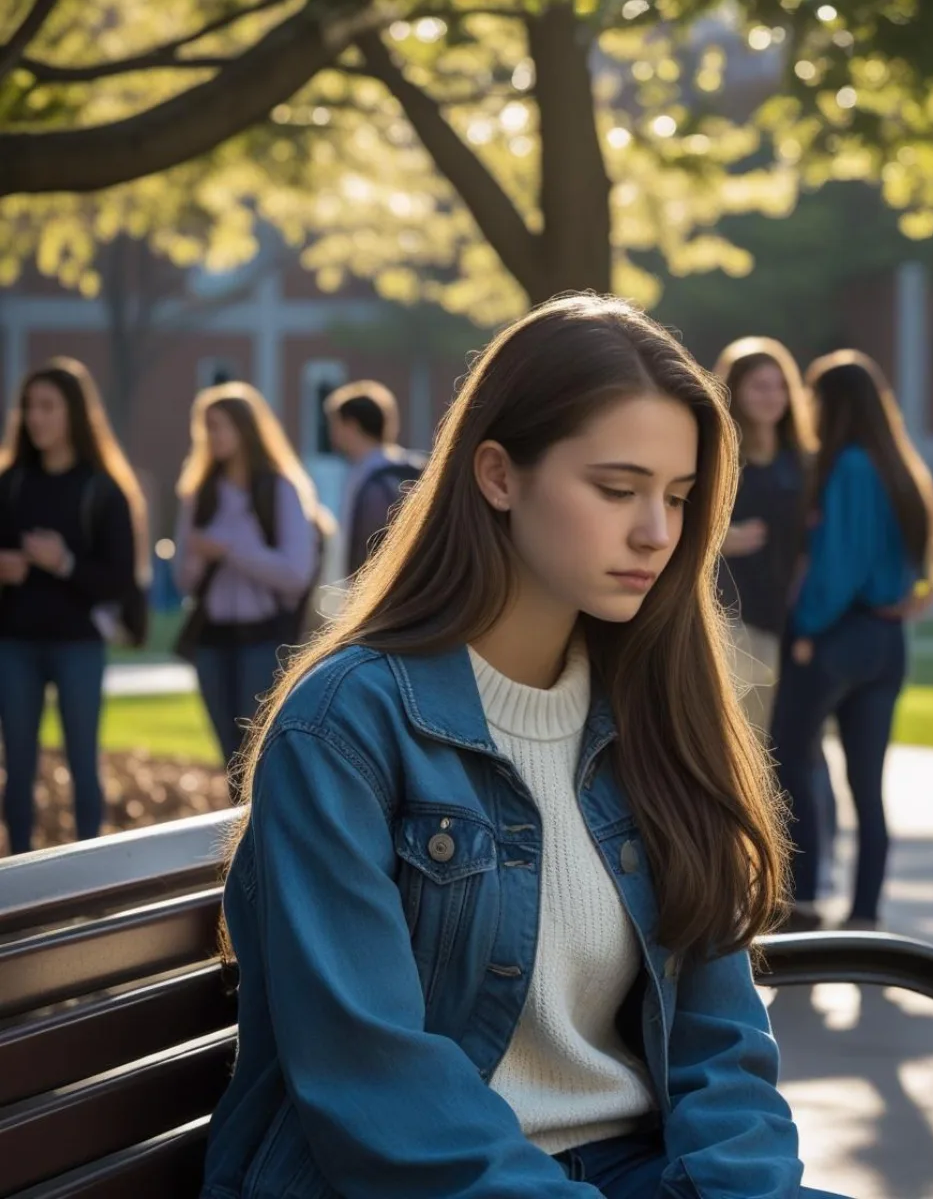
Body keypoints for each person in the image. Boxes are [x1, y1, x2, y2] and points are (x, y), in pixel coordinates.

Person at [200, 295, 849, 1199]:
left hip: (637, 1171)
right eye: (617, 490)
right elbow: (375, 1082)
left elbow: (721, 1038)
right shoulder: (346, 726)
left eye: (678, 497)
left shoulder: (656, 706)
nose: (657, 534)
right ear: (498, 476)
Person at [770, 351, 933, 933]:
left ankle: (802, 897)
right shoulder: (898, 466)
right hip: (888, 640)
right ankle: (866, 912)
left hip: (838, 635)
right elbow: (918, 560)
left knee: (789, 759)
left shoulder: (846, 467)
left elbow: (835, 569)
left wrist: (807, 630)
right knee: (867, 783)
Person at [0, 357, 148, 854]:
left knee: (83, 762)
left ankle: (88, 880)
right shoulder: (10, 483)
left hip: (78, 646)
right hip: (14, 642)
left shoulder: (103, 490)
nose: (34, 417)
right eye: (29, 406)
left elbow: (120, 579)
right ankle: (16, 878)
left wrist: (63, 562)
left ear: (75, 414)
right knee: (15, 767)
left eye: (47, 406)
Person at [712, 337, 839, 897]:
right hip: (736, 626)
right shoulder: (718, 455)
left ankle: (798, 883)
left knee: (800, 755)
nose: (771, 396)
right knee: (743, 754)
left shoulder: (803, 464)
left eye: (779, 385)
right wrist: (721, 538)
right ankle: (739, 880)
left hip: (798, 631)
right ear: (734, 390)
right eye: (758, 385)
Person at [173, 382, 330, 767]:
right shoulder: (200, 494)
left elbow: (296, 573)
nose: (214, 436)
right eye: (207, 426)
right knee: (229, 757)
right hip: (211, 638)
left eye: (222, 425)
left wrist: (230, 550)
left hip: (263, 638)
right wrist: (199, 559)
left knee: (261, 756)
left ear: (247, 429)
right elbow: (183, 580)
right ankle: (239, 827)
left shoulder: (279, 489)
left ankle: (264, 826)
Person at [324, 379, 428, 579]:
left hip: (376, 590)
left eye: (335, 425)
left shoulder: (368, 475)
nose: (332, 434)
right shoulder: (413, 467)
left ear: (351, 425)